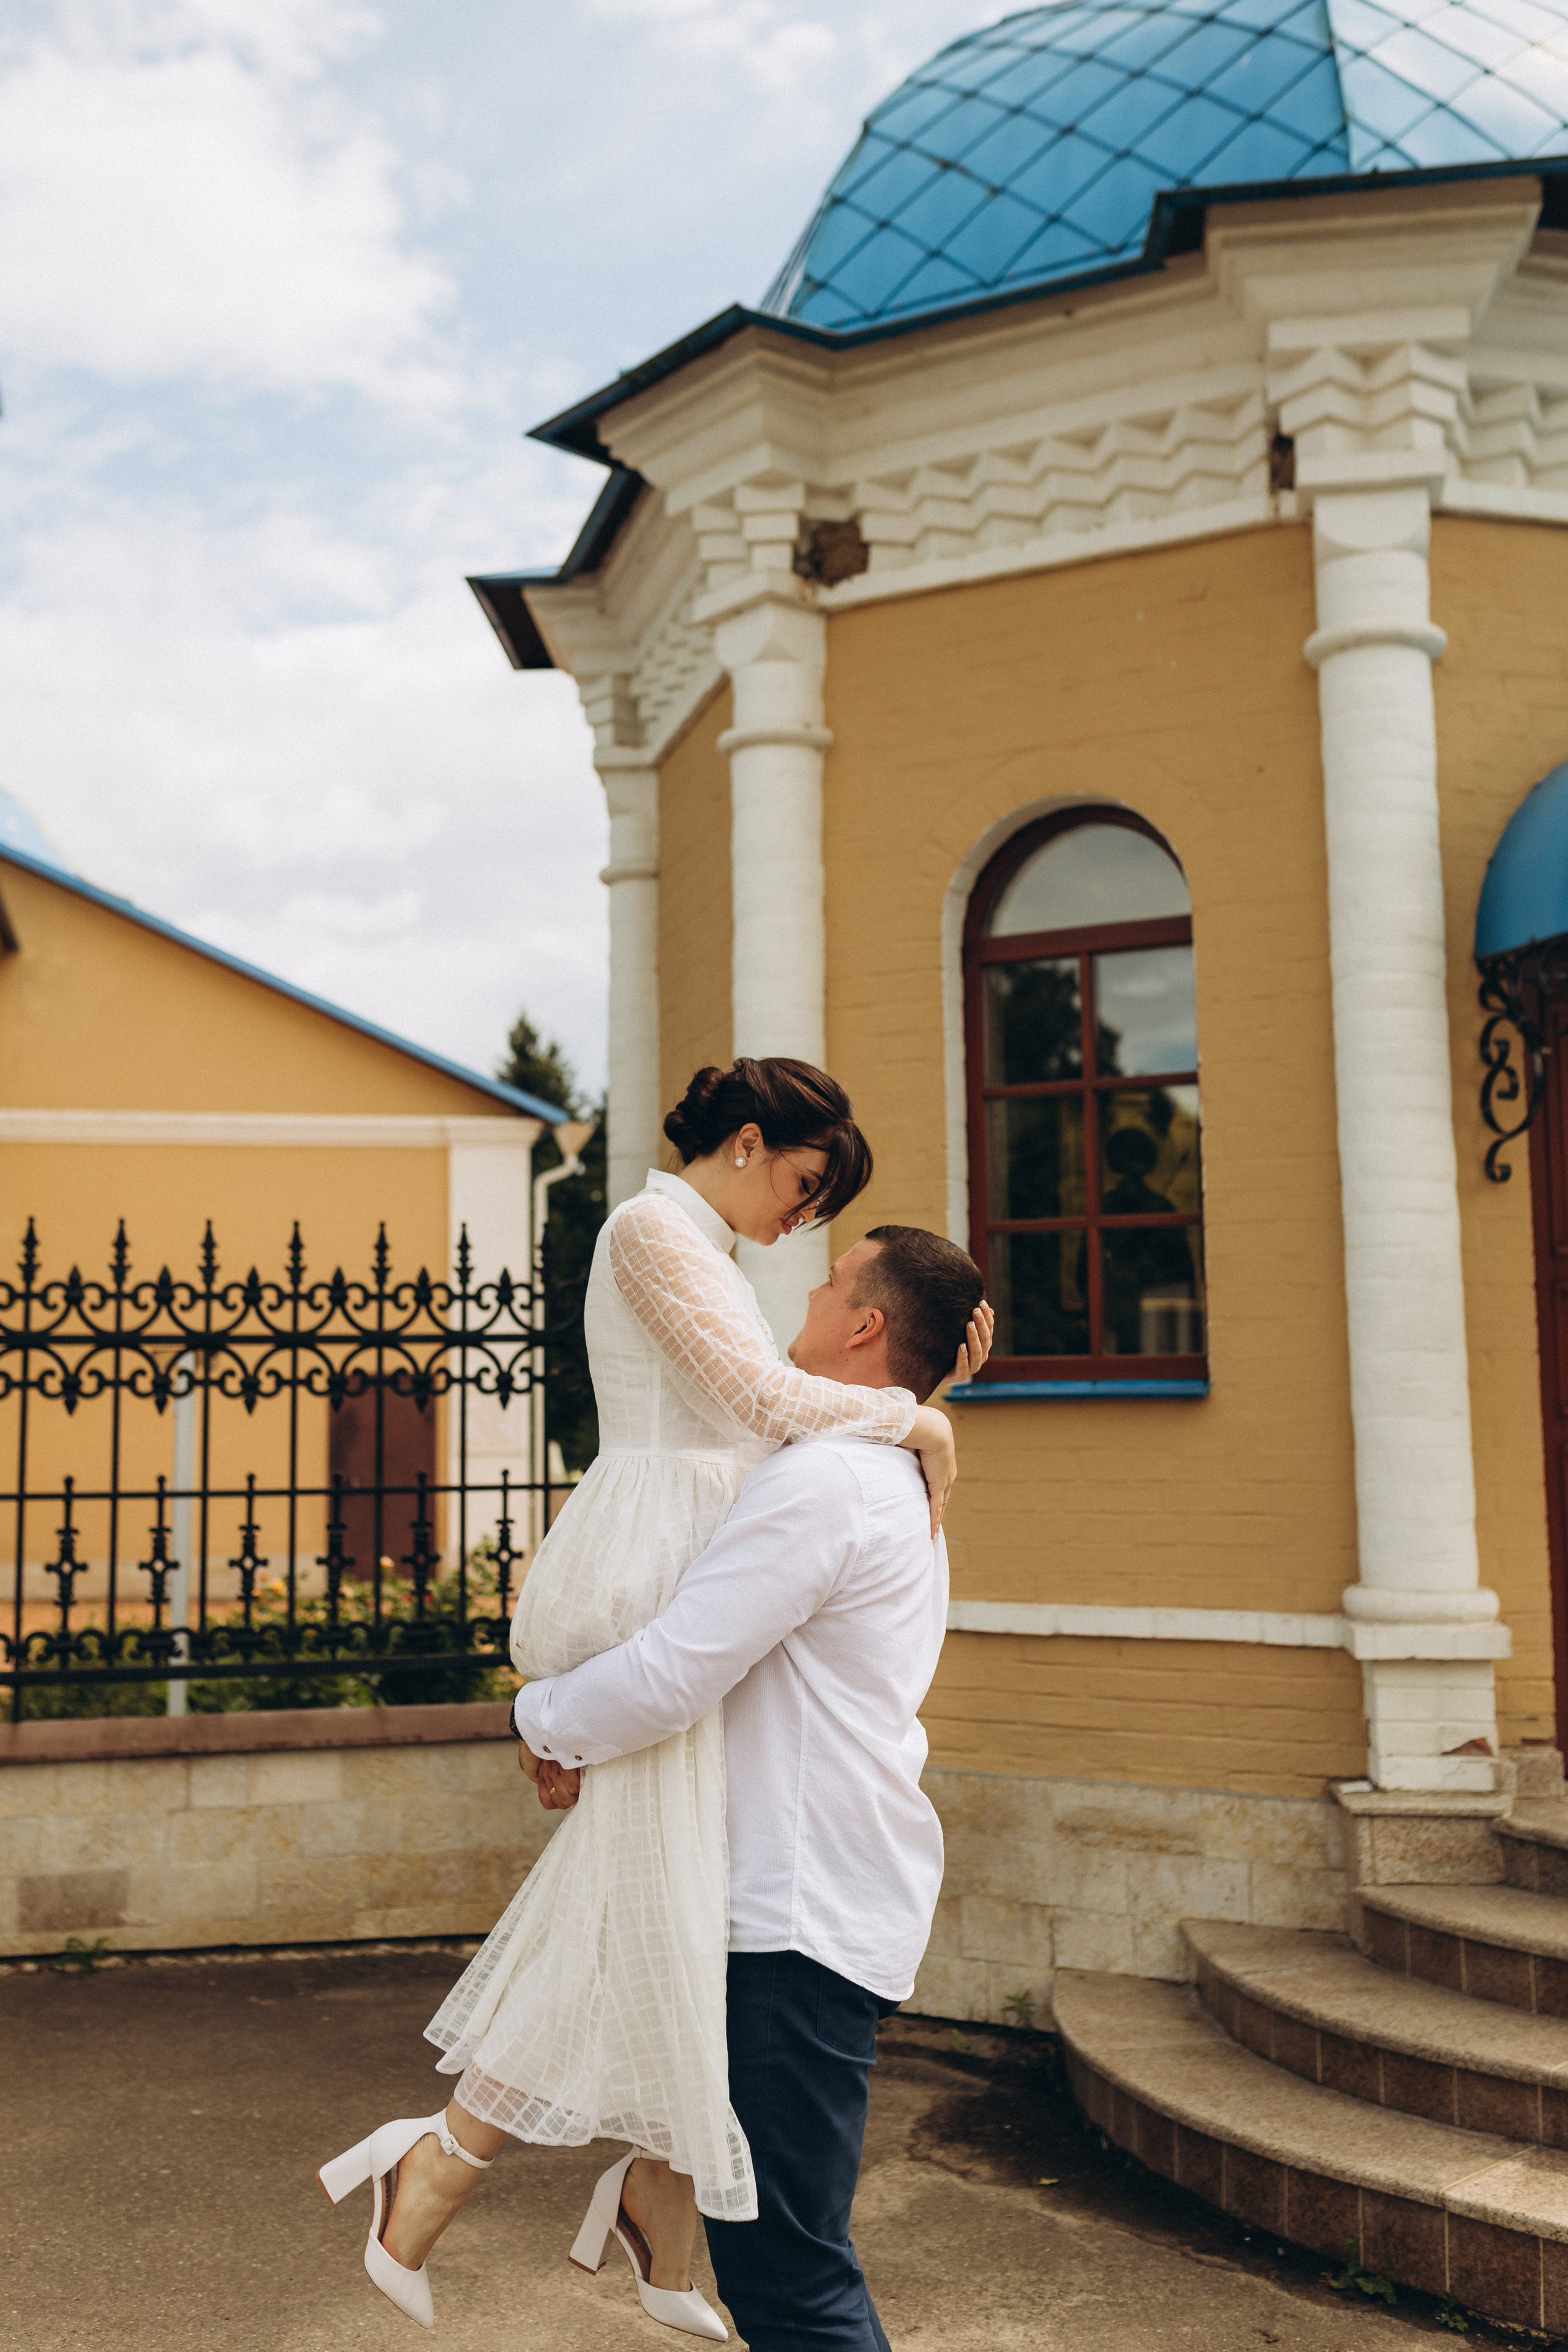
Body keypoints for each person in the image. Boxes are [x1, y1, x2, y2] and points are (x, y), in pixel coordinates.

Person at [317, 1061, 992, 2332]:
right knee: (654, 1903)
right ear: (744, 1143)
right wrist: (924, 1417)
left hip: (708, 1556)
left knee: (658, 1906)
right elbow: (759, 1401)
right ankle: (581, 2195)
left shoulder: (729, 1286)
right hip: (662, 1552)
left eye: (824, 1221)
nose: (803, 1232)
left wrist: (912, 1410)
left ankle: (581, 2192)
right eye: (801, 1187)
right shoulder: (650, 1228)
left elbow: (778, 1407)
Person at [519, 1223, 983, 2350]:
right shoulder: (884, 1472)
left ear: (865, 1324)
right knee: (775, 2247)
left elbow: (679, 1669)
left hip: (796, 1918)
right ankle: (651, 2201)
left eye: (831, 1285)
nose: (808, 1296)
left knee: (793, 2279)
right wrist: (929, 1401)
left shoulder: (829, 1482)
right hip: (818, 1897)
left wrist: (542, 1715)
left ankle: (653, 2201)